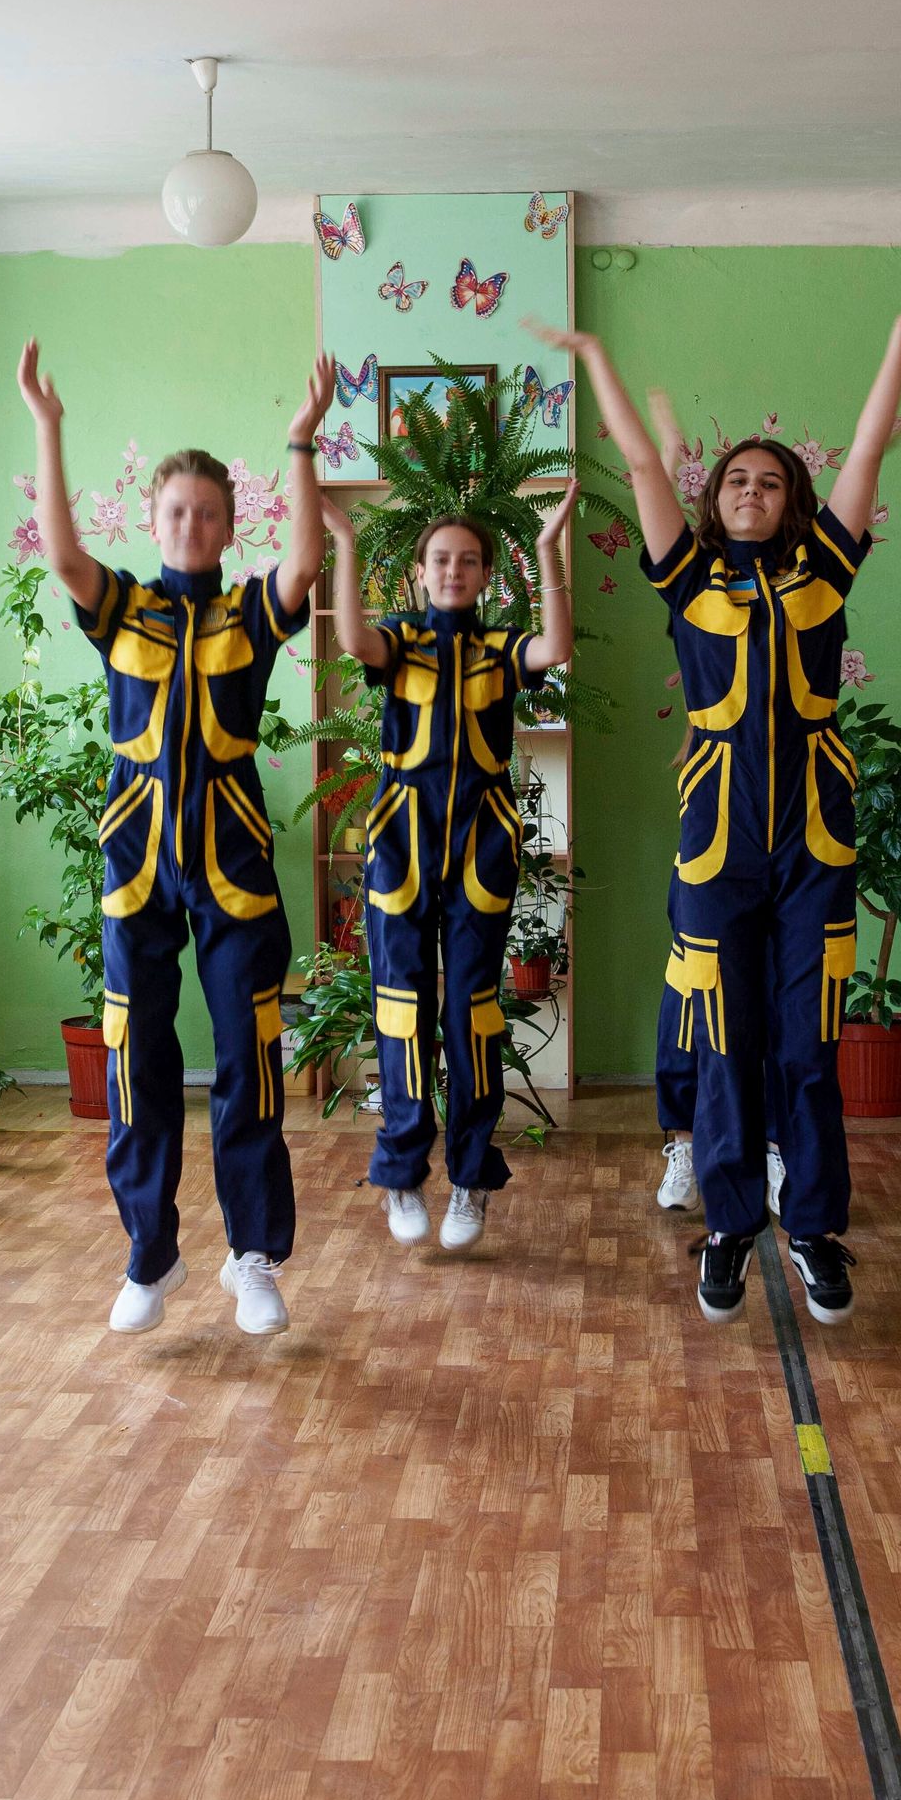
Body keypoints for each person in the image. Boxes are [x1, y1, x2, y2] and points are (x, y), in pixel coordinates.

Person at [531, 278, 901, 1326]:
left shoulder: (825, 571)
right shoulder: (689, 579)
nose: (752, 491)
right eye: (738, 481)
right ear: (715, 500)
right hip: (718, 841)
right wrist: (592, 354)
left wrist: (897, 333)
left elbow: (863, 453)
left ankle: (812, 1228)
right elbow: (639, 462)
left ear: (793, 500)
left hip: (816, 839)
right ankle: (728, 1225)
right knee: (724, 1044)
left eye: (770, 481)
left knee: (807, 1048)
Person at [19, 341, 327, 1334]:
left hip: (234, 873)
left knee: (250, 1061)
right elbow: (61, 554)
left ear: (232, 527)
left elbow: (309, 563)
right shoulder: (125, 609)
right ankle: (150, 1256)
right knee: (135, 1062)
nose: (191, 524)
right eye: (174, 512)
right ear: (153, 524)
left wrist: (299, 443)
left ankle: (253, 1257)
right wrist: (49, 424)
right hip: (135, 871)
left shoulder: (250, 612)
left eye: (208, 512)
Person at [333, 492, 575, 1249]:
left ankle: (471, 1178)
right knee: (401, 1004)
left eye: (468, 560)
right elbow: (350, 637)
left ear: (485, 575)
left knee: (471, 1011)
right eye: (441, 559)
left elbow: (555, 648)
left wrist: (548, 547)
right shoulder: (399, 641)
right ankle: (402, 1172)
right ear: (420, 570)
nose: (453, 570)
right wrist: (344, 541)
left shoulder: (502, 648)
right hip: (401, 840)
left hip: (482, 843)